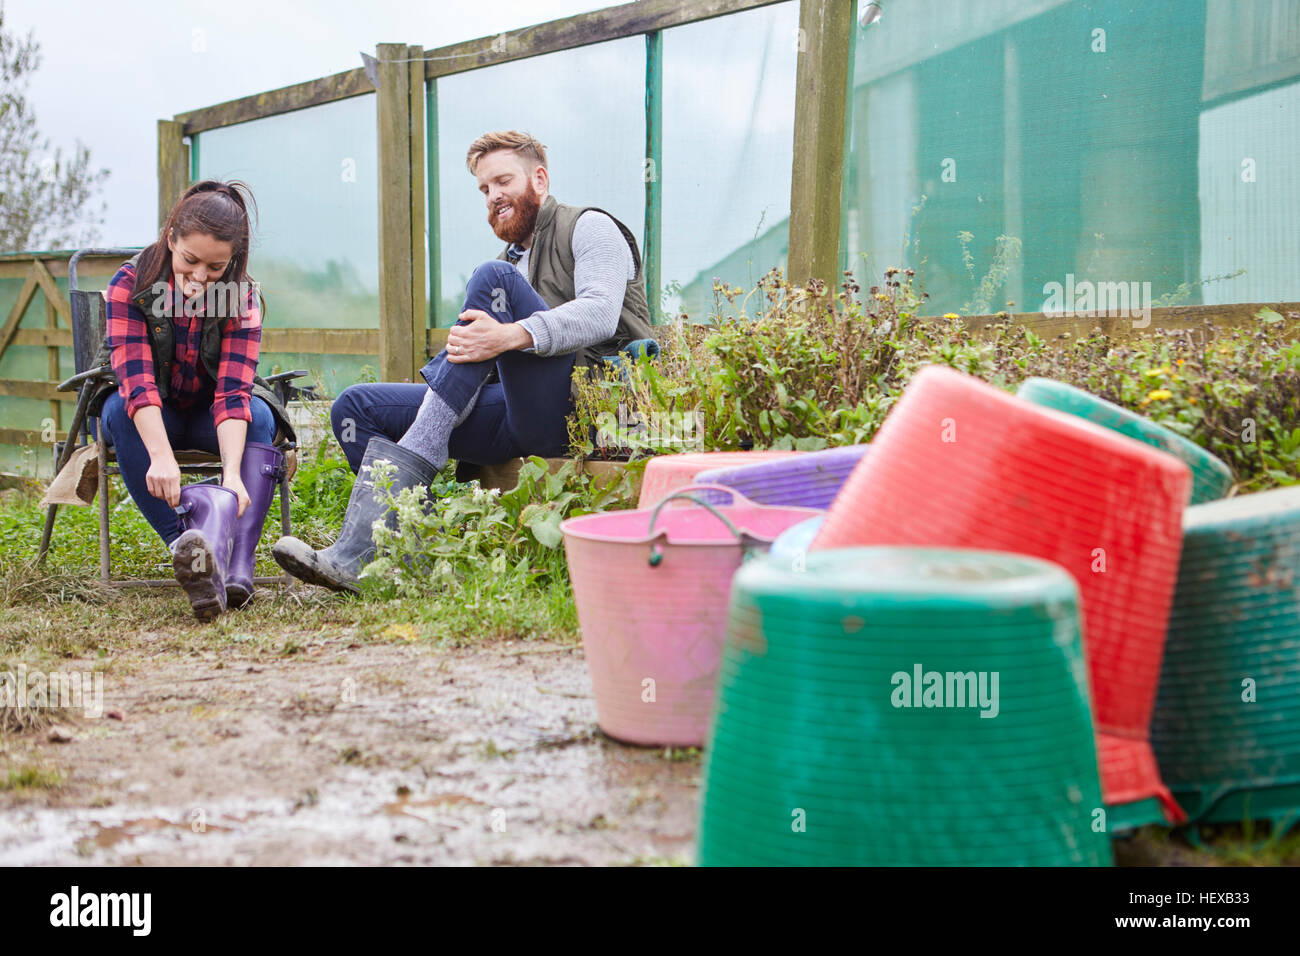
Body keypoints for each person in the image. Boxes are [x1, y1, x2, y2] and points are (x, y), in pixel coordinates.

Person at [272, 130, 655, 593]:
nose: (493, 196)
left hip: (584, 407)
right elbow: (482, 357)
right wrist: (484, 351)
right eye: (484, 190)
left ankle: (416, 457)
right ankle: (422, 556)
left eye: (502, 181)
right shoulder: (509, 262)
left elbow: (599, 313)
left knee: (490, 277)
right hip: (518, 411)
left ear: (539, 178)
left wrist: (510, 335)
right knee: (355, 408)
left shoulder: (589, 227)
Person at [90, 180, 296, 620]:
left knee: (260, 416)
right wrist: (161, 457)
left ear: (233, 261)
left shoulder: (241, 297)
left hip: (206, 416)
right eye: (190, 260)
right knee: (117, 413)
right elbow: (136, 380)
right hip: (150, 416)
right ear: (171, 239)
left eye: (216, 267)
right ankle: (190, 548)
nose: (200, 278)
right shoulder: (131, 283)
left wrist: (233, 475)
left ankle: (233, 561)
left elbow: (232, 391)